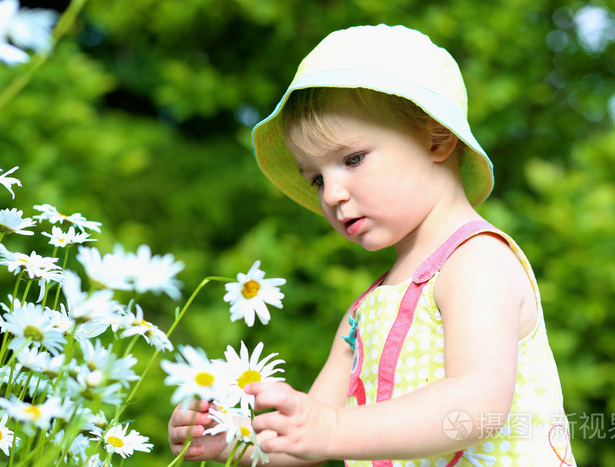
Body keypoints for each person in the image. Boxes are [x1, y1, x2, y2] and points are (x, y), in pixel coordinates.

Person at [168, 24, 576, 466]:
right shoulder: (365, 311)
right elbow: (310, 435)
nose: (331, 195)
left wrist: (333, 430)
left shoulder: (477, 261)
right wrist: (237, 442)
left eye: (352, 159)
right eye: (317, 178)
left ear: (435, 138)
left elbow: (478, 406)